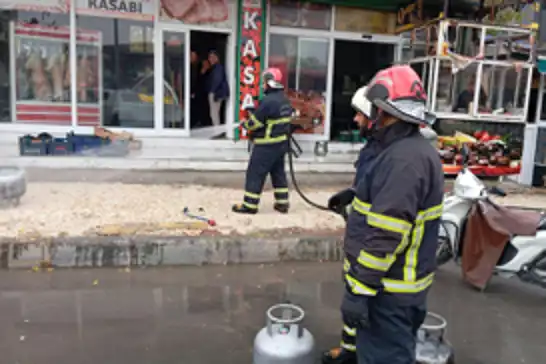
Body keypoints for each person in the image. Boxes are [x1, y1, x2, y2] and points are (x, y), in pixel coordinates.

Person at [327, 65, 444, 364]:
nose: (357, 118)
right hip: (393, 291)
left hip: (387, 293)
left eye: (368, 109)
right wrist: (354, 199)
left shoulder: (403, 161)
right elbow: (388, 207)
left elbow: (385, 235)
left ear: (384, 110)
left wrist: (359, 292)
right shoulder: (405, 152)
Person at [232, 68, 292, 215]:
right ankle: (282, 203)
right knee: (278, 173)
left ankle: (250, 205)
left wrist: (245, 124)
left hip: (266, 145)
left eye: (264, 82)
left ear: (270, 82)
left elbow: (255, 123)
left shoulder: (268, 101)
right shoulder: (284, 100)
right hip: (281, 145)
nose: (263, 85)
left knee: (255, 173)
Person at [207, 50, 230, 126]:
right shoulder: (215, 68)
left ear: (217, 58)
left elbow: (217, 80)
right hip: (216, 93)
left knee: (214, 114)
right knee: (214, 113)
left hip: (216, 93)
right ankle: (216, 131)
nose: (211, 59)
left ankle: (217, 131)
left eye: (213, 57)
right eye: (210, 57)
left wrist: (212, 92)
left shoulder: (218, 68)